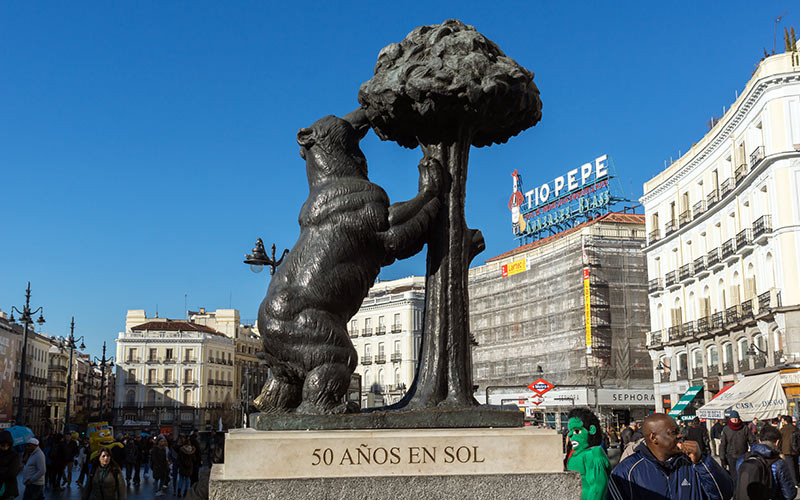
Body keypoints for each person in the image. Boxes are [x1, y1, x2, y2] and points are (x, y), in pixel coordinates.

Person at [607, 413, 733, 500]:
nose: (679, 436)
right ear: (654, 437)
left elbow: (724, 494)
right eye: (674, 433)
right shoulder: (626, 472)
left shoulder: (691, 464)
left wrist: (702, 461)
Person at [735, 424, 796, 500]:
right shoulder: (778, 463)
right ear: (777, 442)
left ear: (759, 441)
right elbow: (789, 494)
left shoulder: (742, 459)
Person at [565, 408, 610, 500]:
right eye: (570, 431)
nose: (570, 435)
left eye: (576, 431)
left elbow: (598, 486)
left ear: (591, 430)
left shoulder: (593, 454)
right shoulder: (577, 454)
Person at [720, 410, 755, 475]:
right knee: (733, 475)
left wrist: (753, 452)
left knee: (743, 474)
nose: (735, 420)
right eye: (733, 418)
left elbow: (752, 441)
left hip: (743, 455)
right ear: (730, 419)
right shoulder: (726, 429)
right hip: (731, 456)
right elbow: (723, 445)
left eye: (736, 418)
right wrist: (722, 458)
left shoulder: (744, 428)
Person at [779, 415, 800, 485]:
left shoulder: (782, 429)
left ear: (785, 421)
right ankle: (798, 479)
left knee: (790, 466)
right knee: (796, 465)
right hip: (796, 449)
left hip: (786, 450)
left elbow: (780, 440)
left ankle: (794, 482)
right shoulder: (796, 429)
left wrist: (779, 450)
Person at [0, 430, 20, 500]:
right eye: (2, 445)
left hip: (8, 490)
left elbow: (12, 473)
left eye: (7, 445)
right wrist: (5, 469)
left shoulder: (14, 455)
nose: (5, 447)